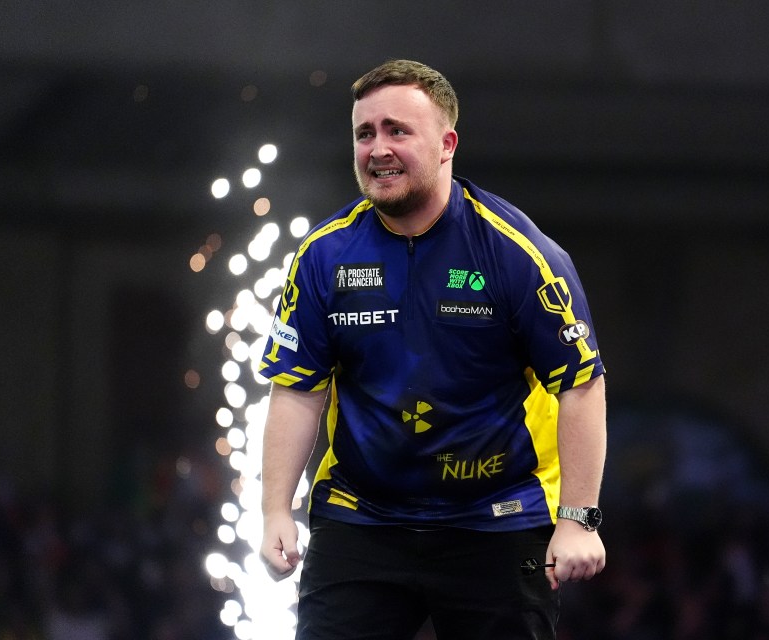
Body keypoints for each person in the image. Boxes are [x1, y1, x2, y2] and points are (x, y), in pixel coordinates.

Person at [259, 59, 607, 640]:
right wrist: (275, 509)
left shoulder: (519, 254)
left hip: (500, 520)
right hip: (361, 517)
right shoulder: (323, 256)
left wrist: (579, 520)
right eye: (364, 133)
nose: (377, 149)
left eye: (398, 130)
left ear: (447, 143)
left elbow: (581, 384)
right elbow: (296, 387)